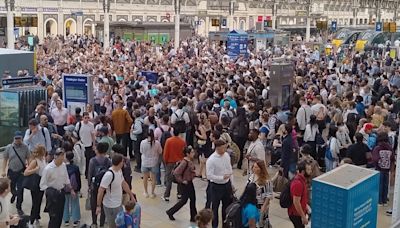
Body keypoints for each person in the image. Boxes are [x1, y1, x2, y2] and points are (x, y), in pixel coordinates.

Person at [96, 153, 136, 228]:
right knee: (113, 225)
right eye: (123, 161)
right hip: (110, 206)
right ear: (120, 163)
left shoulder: (119, 171)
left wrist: (131, 195)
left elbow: (123, 183)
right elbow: (100, 190)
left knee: (120, 224)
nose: (124, 163)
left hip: (118, 204)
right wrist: (98, 206)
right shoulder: (109, 175)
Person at [40, 148, 76, 228]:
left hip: (61, 193)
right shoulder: (48, 169)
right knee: (53, 217)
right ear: (55, 157)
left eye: (63, 157)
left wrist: (71, 189)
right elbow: (42, 185)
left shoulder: (63, 166)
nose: (63, 160)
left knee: (60, 216)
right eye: (61, 157)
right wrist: (50, 191)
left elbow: (66, 179)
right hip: (52, 196)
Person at [206, 139, 234, 228]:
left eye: (225, 148)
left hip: (227, 185)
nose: (224, 150)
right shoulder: (211, 160)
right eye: (222, 148)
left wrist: (232, 184)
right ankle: (215, 225)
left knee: (226, 207)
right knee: (215, 207)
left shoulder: (226, 155)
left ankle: (225, 225)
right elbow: (209, 176)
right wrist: (221, 177)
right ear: (217, 148)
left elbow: (230, 170)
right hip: (216, 186)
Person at [2, 131, 30, 216]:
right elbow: (5, 159)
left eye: (19, 138)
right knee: (11, 188)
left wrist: (29, 168)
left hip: (21, 171)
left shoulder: (25, 147)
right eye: (16, 138)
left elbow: (29, 158)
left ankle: (19, 207)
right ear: (14, 138)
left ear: (22, 138)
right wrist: (3, 170)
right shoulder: (9, 147)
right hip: (11, 171)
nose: (18, 140)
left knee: (21, 189)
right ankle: (14, 195)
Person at [166, 146, 197, 222]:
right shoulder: (184, 162)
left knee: (193, 199)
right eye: (192, 152)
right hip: (185, 184)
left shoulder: (190, 161)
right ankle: (170, 212)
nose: (194, 153)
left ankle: (194, 217)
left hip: (189, 182)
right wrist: (182, 181)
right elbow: (176, 172)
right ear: (187, 154)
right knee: (184, 200)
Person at [88, 142, 111, 227]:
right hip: (105, 186)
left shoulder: (92, 161)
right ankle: (102, 223)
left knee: (94, 205)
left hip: (95, 187)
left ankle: (94, 222)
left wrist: (89, 186)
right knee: (103, 204)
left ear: (97, 150)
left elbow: (90, 174)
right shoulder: (108, 161)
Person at [23, 145, 46, 227]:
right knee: (35, 203)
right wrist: (35, 169)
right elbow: (26, 172)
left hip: (42, 183)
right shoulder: (35, 161)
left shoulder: (43, 159)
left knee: (39, 202)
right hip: (35, 183)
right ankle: (31, 221)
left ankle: (36, 218)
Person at [162, 128, 186, 202]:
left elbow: (166, 152)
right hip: (179, 162)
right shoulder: (182, 142)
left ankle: (167, 195)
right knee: (179, 178)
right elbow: (184, 152)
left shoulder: (169, 141)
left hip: (170, 162)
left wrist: (165, 161)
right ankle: (179, 194)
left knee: (169, 179)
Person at [372, 132, 395, 206]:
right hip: (387, 169)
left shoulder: (377, 148)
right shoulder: (390, 148)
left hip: (379, 169)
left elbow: (375, 159)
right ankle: (385, 201)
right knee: (385, 185)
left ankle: (379, 201)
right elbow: (392, 159)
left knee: (380, 185)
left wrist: (377, 166)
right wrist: (391, 170)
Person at [248, 159, 273, 227]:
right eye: (254, 167)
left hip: (261, 205)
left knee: (261, 223)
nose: (254, 169)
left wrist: (264, 206)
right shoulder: (251, 177)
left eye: (256, 167)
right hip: (251, 204)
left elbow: (269, 194)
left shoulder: (266, 180)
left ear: (261, 169)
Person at [288, 160, 312, 228]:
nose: (310, 171)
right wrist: (303, 216)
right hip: (296, 214)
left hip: (298, 213)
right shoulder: (298, 183)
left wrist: (306, 207)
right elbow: (296, 202)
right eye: (309, 169)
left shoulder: (302, 180)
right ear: (303, 171)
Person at [140, 129, 162, 198]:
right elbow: (160, 151)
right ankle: (152, 193)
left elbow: (141, 151)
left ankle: (146, 192)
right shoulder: (157, 143)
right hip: (154, 162)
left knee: (145, 178)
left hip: (145, 162)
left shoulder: (143, 142)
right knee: (153, 178)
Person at [63, 151, 82, 227]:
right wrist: (78, 188)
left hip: (65, 189)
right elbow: (78, 179)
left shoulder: (63, 167)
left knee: (65, 204)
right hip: (74, 189)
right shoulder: (75, 167)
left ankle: (66, 220)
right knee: (75, 204)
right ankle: (75, 220)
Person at [75, 112, 95, 178]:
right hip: (81, 145)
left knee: (88, 160)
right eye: (85, 118)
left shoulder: (91, 125)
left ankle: (87, 174)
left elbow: (93, 135)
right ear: (82, 118)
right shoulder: (79, 124)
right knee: (81, 160)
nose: (86, 119)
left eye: (88, 118)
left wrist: (93, 144)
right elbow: (75, 134)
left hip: (88, 145)